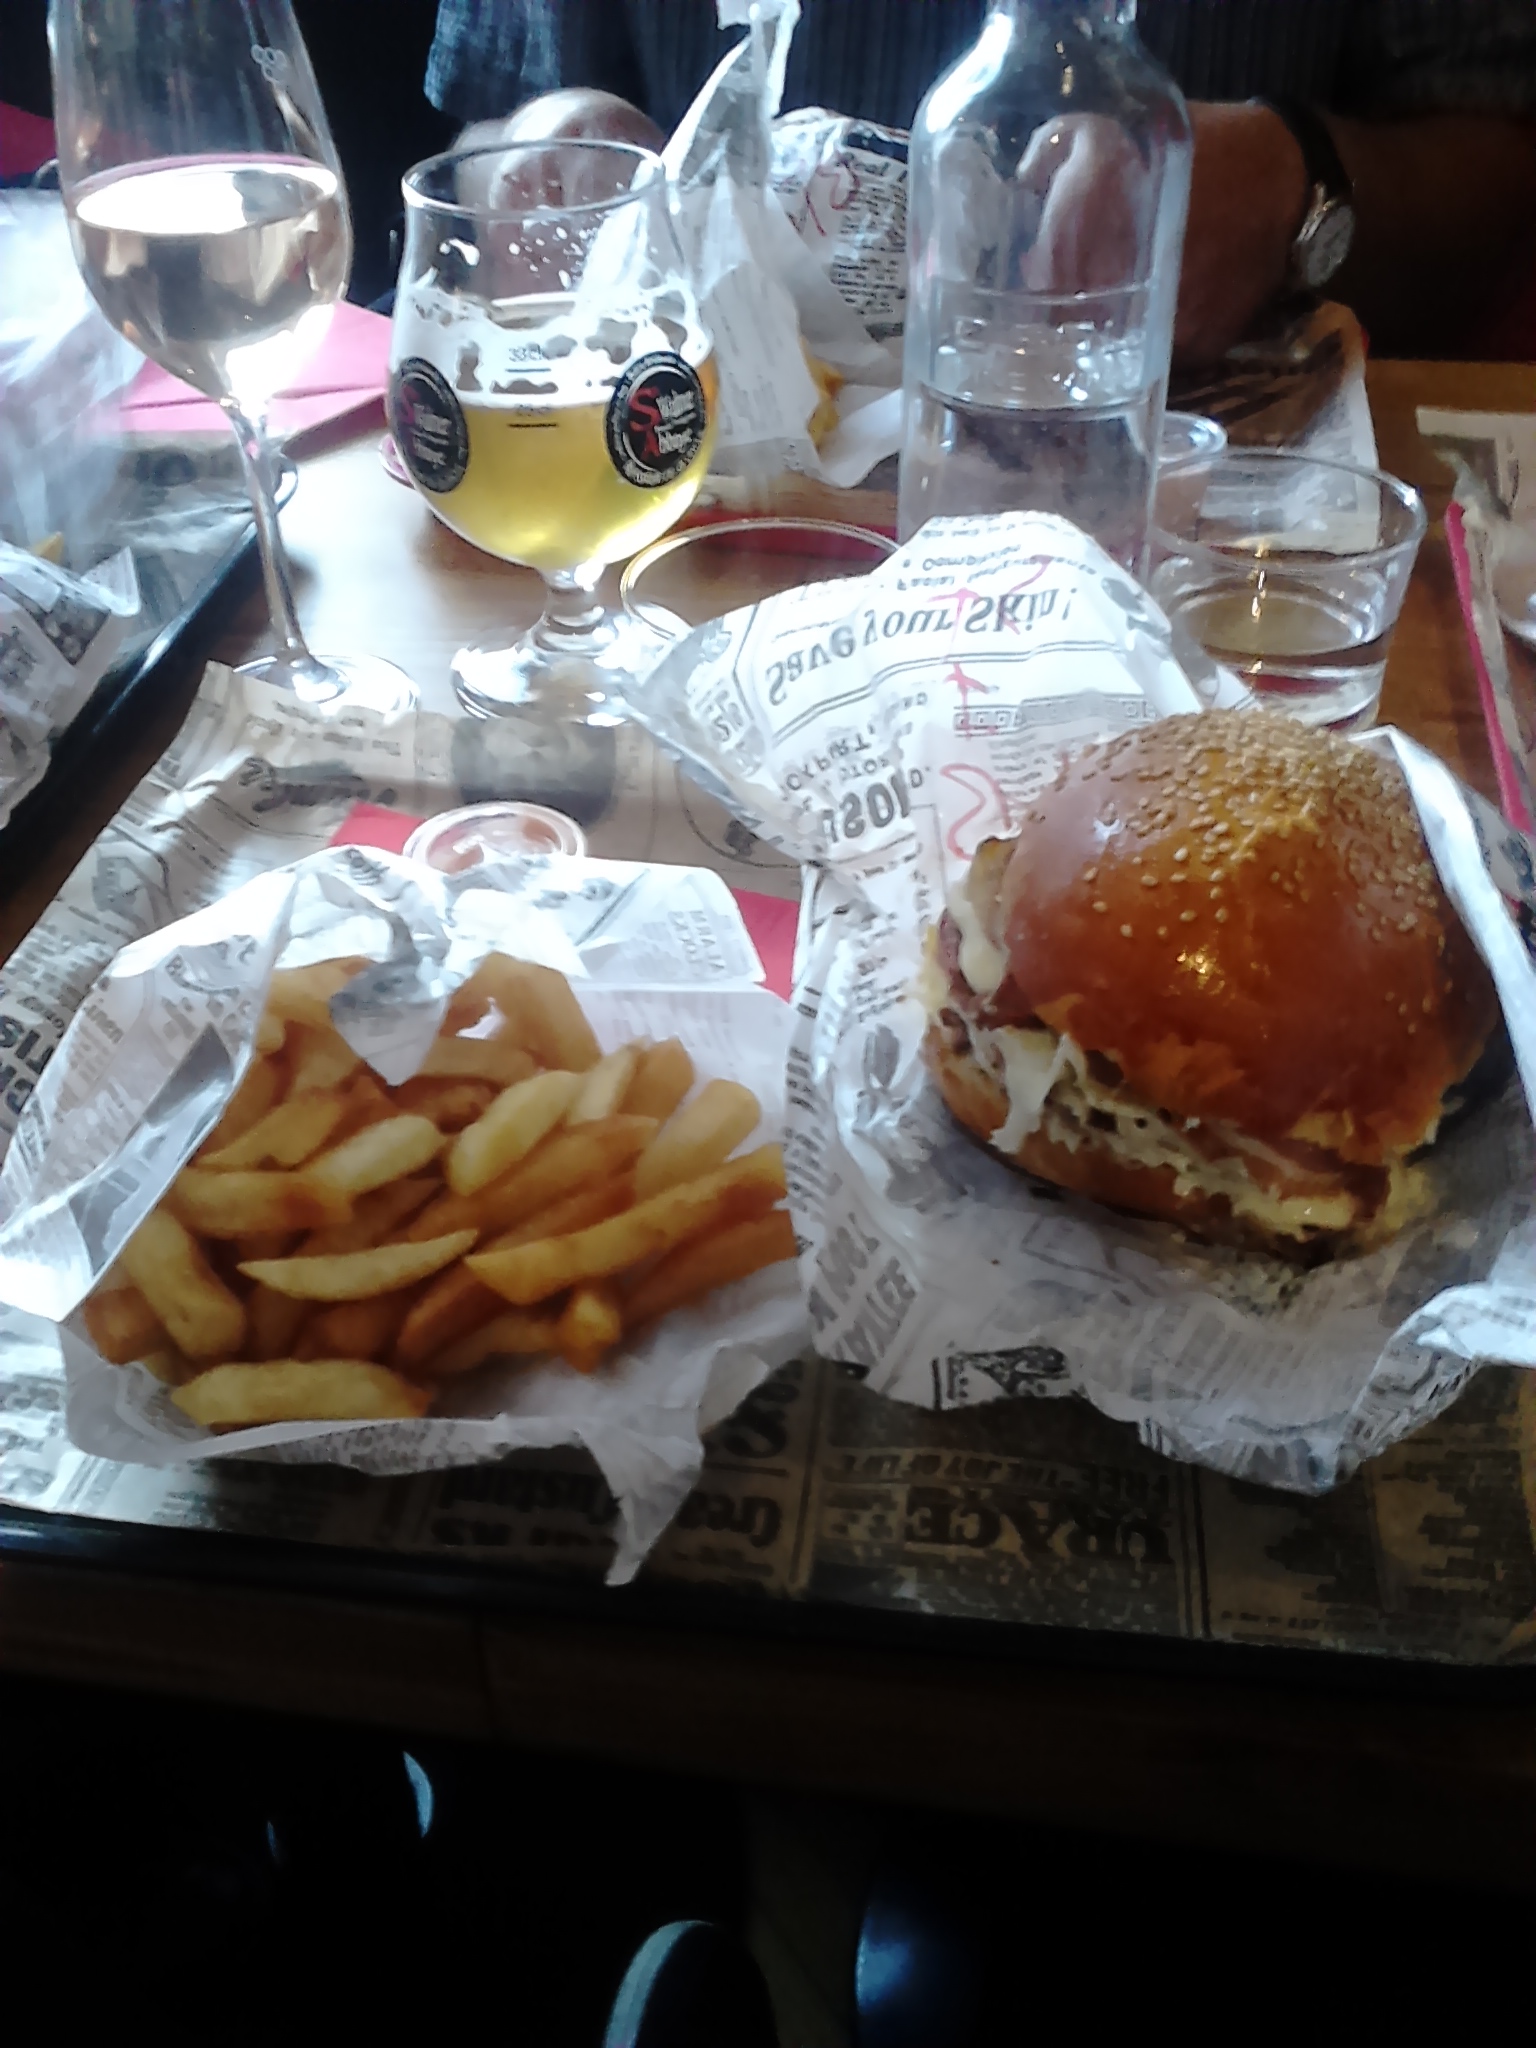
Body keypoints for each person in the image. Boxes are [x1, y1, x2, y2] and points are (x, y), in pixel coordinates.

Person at [424, 0, 1536, 363]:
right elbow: (492, 116)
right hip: (694, 504)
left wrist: (1300, 181)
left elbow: (1504, 167)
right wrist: (542, 140)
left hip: (1205, 525)